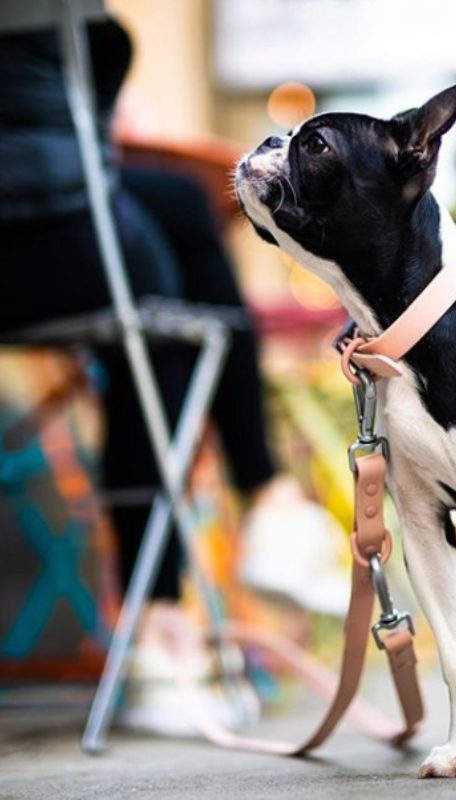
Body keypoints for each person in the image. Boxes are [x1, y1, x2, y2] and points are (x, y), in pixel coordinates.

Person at [0, 16, 347, 735]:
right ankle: (164, 618)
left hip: (45, 217)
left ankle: (264, 505)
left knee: (182, 214)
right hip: (37, 232)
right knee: (155, 298)